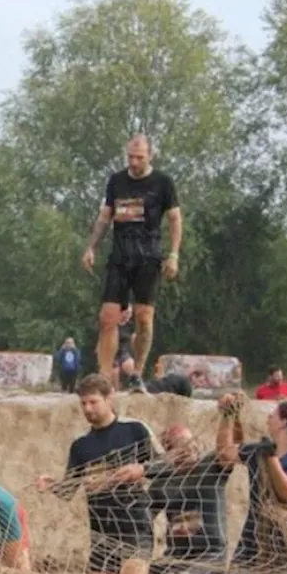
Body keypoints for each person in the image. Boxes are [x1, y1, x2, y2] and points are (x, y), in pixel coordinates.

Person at [35, 374, 166, 574]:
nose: (87, 409)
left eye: (93, 402)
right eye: (83, 403)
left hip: (134, 528)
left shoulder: (134, 430)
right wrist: (49, 484)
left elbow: (166, 465)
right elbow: (68, 489)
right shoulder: (81, 445)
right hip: (101, 534)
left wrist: (141, 469)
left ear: (109, 399)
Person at [81, 135, 182, 390]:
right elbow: (105, 216)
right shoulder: (116, 181)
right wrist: (91, 247)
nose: (134, 162)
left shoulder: (163, 182)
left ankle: (137, 372)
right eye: (130, 157)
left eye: (139, 157)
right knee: (108, 317)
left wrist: (174, 254)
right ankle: (104, 376)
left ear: (151, 156)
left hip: (148, 255)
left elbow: (174, 220)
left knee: (144, 317)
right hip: (120, 255)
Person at [215, 394, 287, 574]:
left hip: (283, 533)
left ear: (283, 422)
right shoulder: (257, 449)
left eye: (272, 415)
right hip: (252, 530)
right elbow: (225, 454)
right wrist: (227, 416)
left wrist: (272, 458)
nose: (268, 419)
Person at [146, 425, 234, 574]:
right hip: (174, 557)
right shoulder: (161, 483)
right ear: (168, 452)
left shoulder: (210, 467)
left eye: (190, 442)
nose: (188, 448)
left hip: (210, 557)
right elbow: (142, 520)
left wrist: (228, 416)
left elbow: (226, 452)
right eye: (179, 445)